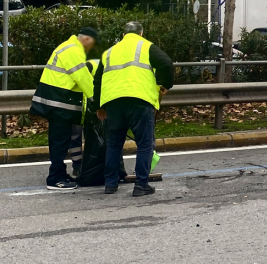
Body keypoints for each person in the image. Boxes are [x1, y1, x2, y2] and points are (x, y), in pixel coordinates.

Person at [94, 21, 173, 196]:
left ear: (123, 35)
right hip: (139, 101)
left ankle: (110, 184)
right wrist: (166, 85)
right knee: (144, 144)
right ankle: (141, 185)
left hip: (113, 102)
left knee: (114, 144)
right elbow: (166, 63)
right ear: (141, 34)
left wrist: (99, 107)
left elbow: (97, 81)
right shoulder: (146, 46)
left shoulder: (109, 52)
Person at [30, 27, 99, 191]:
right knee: (59, 142)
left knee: (61, 140)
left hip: (57, 102)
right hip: (58, 103)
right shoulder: (72, 50)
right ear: (87, 39)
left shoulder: (68, 47)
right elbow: (83, 78)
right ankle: (55, 178)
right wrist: (97, 102)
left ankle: (60, 173)